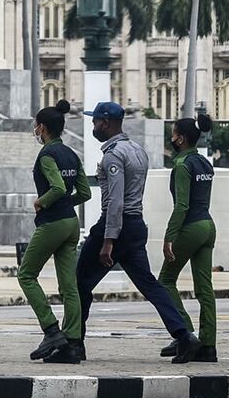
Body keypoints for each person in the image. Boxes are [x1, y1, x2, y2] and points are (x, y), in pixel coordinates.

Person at [76, 102, 201, 364]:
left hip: (115, 225)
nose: (93, 126)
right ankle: (184, 335)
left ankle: (74, 342)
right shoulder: (138, 151)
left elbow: (116, 201)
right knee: (150, 285)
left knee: (80, 284)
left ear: (106, 123)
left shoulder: (113, 156)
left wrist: (108, 241)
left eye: (96, 122)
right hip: (135, 226)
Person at [18, 99, 91, 364]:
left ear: (42, 128)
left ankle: (50, 330)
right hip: (72, 223)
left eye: (36, 126)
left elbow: (58, 187)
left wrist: (42, 202)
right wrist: (64, 204)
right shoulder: (72, 154)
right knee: (69, 286)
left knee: (26, 274)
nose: (35, 129)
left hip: (52, 223)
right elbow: (85, 192)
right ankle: (72, 343)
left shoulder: (47, 154)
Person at [157, 114, 219, 363]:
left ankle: (186, 335)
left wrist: (169, 236)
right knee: (205, 289)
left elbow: (182, 205)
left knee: (165, 281)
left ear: (180, 139)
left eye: (173, 134)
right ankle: (208, 345)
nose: (171, 138)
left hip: (191, 226)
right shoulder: (205, 164)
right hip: (208, 225)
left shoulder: (182, 165)